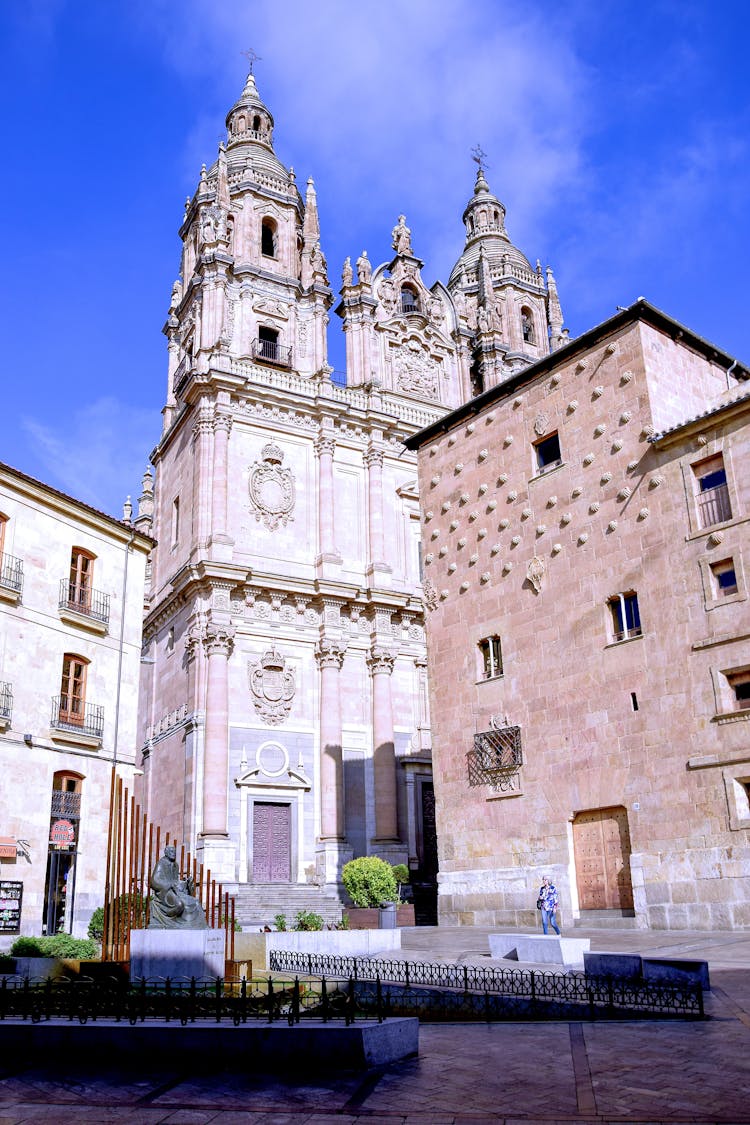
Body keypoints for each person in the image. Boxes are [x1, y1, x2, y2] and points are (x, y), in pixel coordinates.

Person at [148, 844, 208, 929]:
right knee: (179, 905)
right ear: (166, 852)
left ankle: (196, 925)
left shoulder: (175, 865)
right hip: (165, 892)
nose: (174, 854)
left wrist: (185, 883)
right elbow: (154, 881)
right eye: (172, 852)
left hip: (175, 891)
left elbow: (175, 880)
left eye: (175, 852)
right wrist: (169, 884)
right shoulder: (161, 863)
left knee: (196, 902)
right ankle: (167, 917)